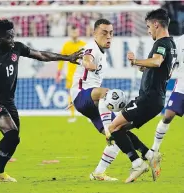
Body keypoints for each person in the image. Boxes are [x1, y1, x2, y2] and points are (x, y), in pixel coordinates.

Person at [0, 19, 83, 185]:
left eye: (13, 35)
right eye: (9, 37)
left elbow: (41, 55)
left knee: (14, 138)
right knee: (11, 134)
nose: (12, 39)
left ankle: (1, 172)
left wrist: (67, 57)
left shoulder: (16, 47)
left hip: (9, 102)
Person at [107, 8, 177, 183]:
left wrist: (136, 60)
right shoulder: (171, 44)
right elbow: (155, 67)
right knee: (120, 130)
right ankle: (149, 155)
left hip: (148, 98)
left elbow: (157, 61)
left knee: (112, 128)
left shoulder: (162, 43)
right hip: (155, 99)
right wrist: (139, 64)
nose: (148, 30)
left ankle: (138, 163)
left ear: (156, 24)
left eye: (148, 26)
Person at [70, 18, 122, 181]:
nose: (108, 37)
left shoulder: (102, 54)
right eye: (104, 33)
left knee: (120, 133)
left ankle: (99, 172)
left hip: (89, 100)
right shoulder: (91, 48)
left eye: (111, 33)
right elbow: (87, 59)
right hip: (84, 95)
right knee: (106, 93)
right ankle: (108, 130)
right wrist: (88, 63)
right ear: (94, 34)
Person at [151, 34, 183, 152]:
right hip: (181, 87)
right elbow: (172, 62)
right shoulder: (178, 42)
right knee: (168, 116)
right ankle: (155, 148)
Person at [56, 25, 86, 123]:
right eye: (72, 32)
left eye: (76, 32)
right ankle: (72, 115)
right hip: (71, 75)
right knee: (71, 95)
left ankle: (91, 115)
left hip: (83, 74)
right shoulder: (66, 45)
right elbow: (61, 59)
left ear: (79, 32)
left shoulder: (84, 44)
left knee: (88, 94)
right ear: (70, 33)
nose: (74, 34)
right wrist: (59, 72)